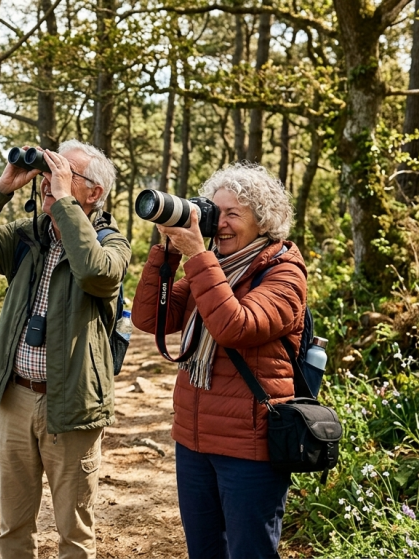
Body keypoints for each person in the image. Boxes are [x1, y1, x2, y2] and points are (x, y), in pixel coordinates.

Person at [0, 139, 130, 559]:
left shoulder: (112, 244)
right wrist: (3, 186)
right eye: (48, 172)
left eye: (65, 174)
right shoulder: (27, 237)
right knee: (13, 526)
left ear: (93, 192)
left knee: (74, 533)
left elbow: (96, 274)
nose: (50, 180)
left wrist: (64, 203)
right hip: (16, 398)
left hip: (72, 406)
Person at [130, 162, 306, 559]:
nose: (220, 224)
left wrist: (196, 256)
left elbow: (235, 327)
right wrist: (167, 251)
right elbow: (148, 318)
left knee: (249, 553)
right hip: (193, 441)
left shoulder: (283, 275)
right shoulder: (210, 267)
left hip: (251, 447)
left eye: (233, 214)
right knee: (205, 551)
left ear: (264, 222)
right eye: (214, 211)